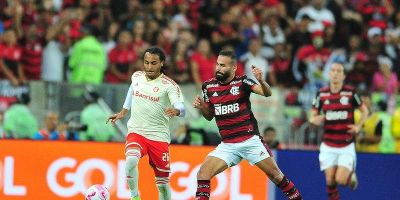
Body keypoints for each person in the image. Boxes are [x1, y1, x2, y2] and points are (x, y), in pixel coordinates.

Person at [192, 50, 302, 200]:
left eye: (223, 65)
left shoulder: (242, 82)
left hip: (249, 140)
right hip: (228, 145)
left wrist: (262, 81)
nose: (218, 68)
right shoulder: (208, 86)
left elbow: (267, 93)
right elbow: (210, 116)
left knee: (276, 176)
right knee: (203, 173)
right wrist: (202, 107)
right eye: (217, 64)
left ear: (233, 68)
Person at [107, 47, 185, 200]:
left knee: (162, 185)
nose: (149, 67)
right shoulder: (137, 76)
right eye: (146, 62)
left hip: (158, 137)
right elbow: (132, 89)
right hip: (137, 132)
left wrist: (177, 111)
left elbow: (181, 107)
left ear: (162, 63)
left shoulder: (169, 85)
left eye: (154, 63)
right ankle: (135, 196)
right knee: (130, 161)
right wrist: (124, 111)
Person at [309, 63, 368, 200]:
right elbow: (312, 116)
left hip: (346, 145)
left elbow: (365, 111)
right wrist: (315, 119)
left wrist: (358, 126)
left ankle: (350, 175)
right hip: (328, 144)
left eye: (339, 71)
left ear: (343, 76)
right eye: (333, 70)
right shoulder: (321, 94)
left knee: (340, 180)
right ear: (329, 74)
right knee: (330, 181)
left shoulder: (351, 93)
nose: (335, 73)